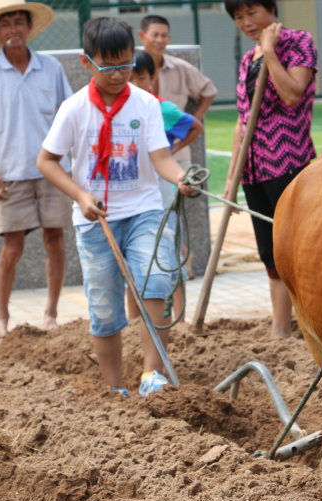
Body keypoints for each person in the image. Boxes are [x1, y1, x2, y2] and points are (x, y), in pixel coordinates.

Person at [37, 17, 192, 398]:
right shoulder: (74, 109)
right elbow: (46, 161)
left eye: (125, 65)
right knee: (105, 310)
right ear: (86, 62)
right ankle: (114, 387)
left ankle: (152, 375)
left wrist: (179, 178)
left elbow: (160, 158)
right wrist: (80, 195)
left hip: (143, 210)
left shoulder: (146, 104)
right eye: (108, 67)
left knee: (156, 282)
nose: (119, 75)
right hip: (95, 221)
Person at [0, 0, 73, 339]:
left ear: (29, 27)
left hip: (52, 169)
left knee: (54, 239)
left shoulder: (51, 67)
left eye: (19, 22)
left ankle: (51, 314)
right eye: (6, 23)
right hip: (9, 172)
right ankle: (1, 316)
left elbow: (68, 116)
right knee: (12, 246)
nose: (13, 29)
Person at [223, 0, 318, 338]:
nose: (246, 22)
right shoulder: (249, 59)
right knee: (270, 256)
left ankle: (316, 326)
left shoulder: (298, 42)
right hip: (253, 169)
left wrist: (270, 52)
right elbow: (241, 120)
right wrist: (232, 177)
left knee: (299, 252)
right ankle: (280, 330)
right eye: (238, 17)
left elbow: (292, 94)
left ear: (271, 9)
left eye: (251, 12)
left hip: (288, 163)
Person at [126, 49, 204, 322]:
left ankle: (179, 321)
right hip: (130, 198)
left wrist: (172, 151)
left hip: (161, 197)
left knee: (170, 257)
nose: (136, 84)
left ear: (153, 77)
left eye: (142, 77)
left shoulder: (162, 108)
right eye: (130, 77)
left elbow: (196, 127)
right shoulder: (119, 111)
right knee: (131, 264)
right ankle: (134, 323)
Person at [139, 14, 218, 277]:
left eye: (164, 35)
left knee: (175, 206)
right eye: (154, 35)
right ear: (143, 37)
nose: (159, 40)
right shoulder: (132, 65)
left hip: (173, 153)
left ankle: (182, 260)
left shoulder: (181, 70)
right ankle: (165, 261)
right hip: (140, 164)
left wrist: (191, 123)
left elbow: (208, 91)